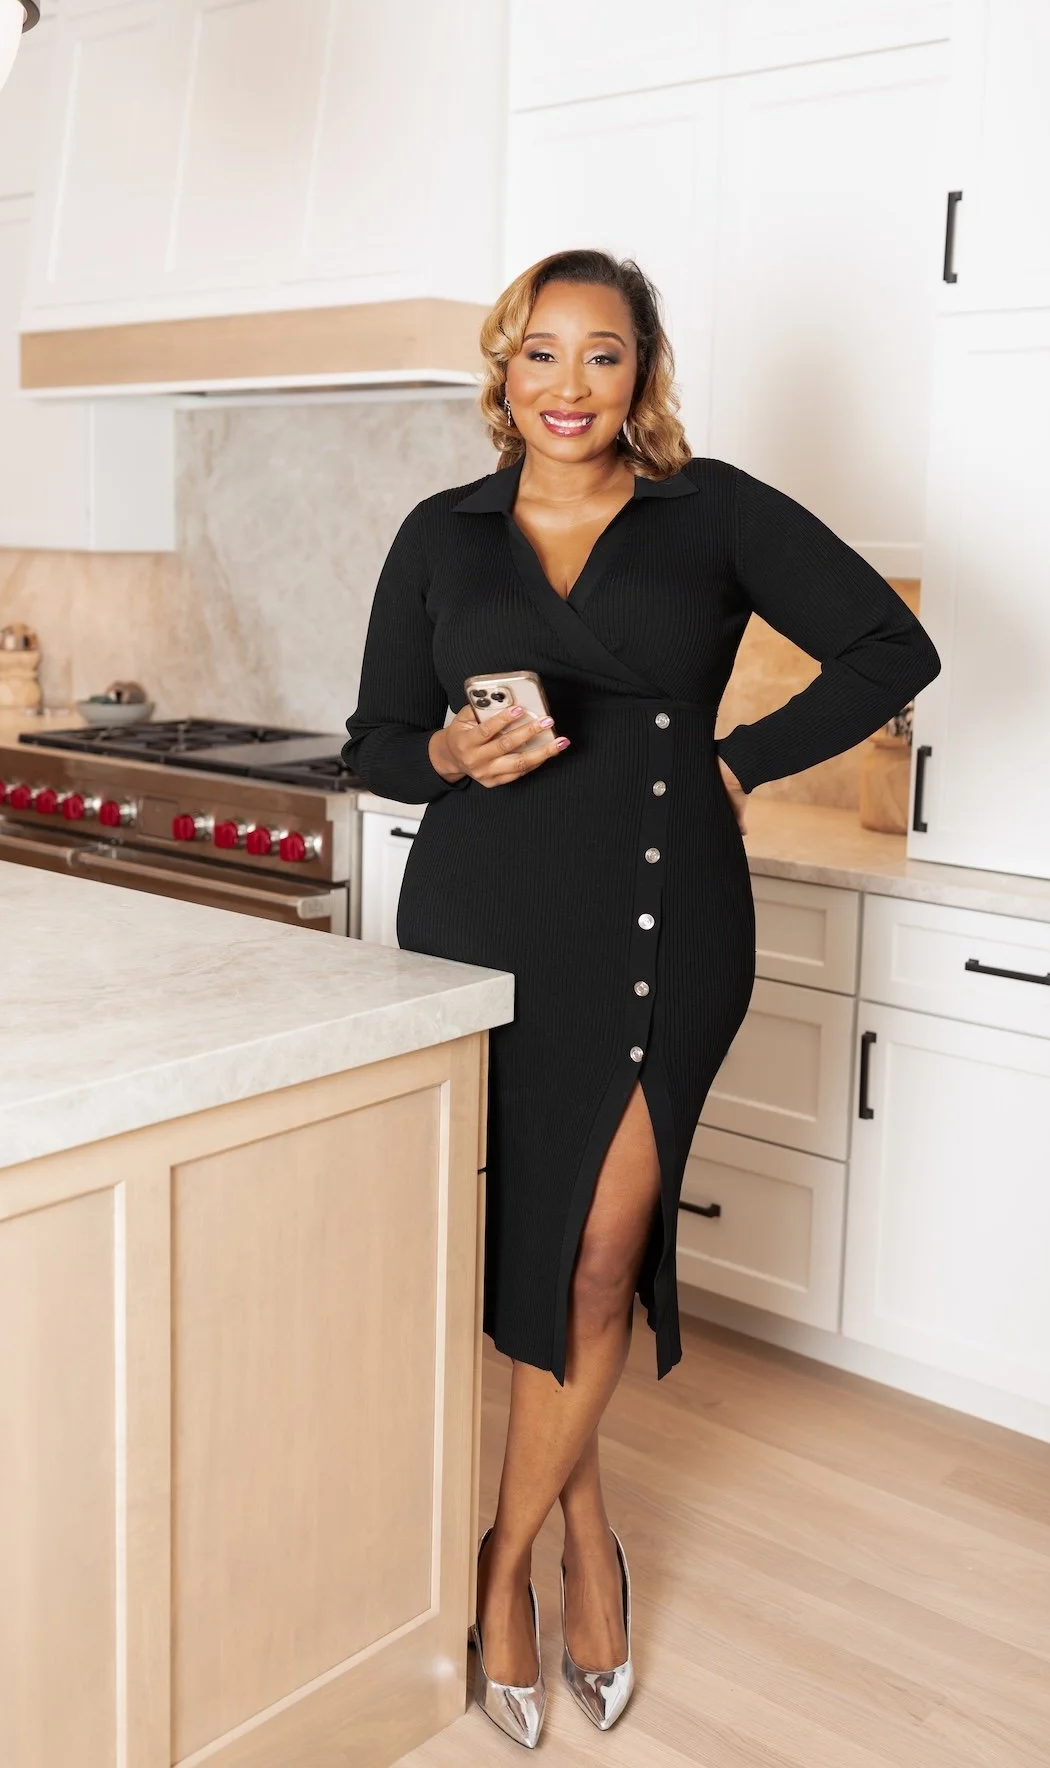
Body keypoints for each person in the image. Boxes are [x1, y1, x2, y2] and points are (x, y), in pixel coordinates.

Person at [340, 248, 941, 1749]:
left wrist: (740, 762)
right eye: (539, 356)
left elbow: (894, 645)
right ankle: (584, 1532)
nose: (567, 388)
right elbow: (371, 734)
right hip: (483, 916)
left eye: (600, 356)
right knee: (535, 1245)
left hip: (668, 923)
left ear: (644, 370)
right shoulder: (443, 533)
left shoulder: (710, 512)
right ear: (502, 370)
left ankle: (497, 1569)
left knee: (600, 1252)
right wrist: (441, 760)